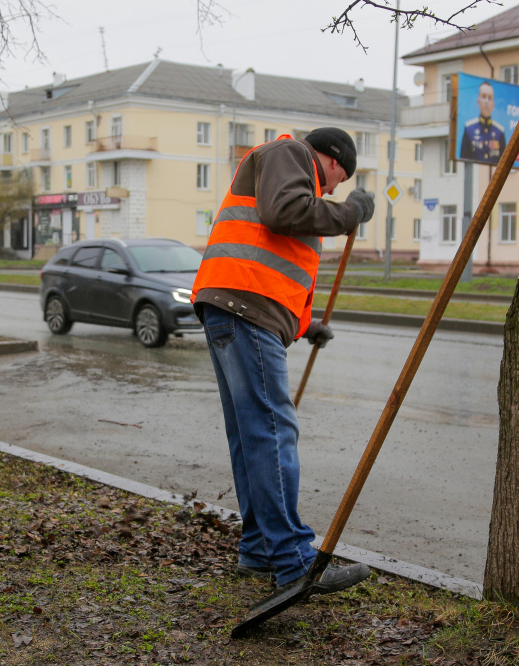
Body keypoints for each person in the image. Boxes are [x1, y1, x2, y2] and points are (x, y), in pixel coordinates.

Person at [191, 128, 376, 596]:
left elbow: (271, 256)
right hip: (244, 307)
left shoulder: (282, 165)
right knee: (273, 431)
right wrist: (350, 213)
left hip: (239, 307)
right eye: (336, 182)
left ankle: (258, 548)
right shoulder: (290, 153)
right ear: (333, 162)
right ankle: (294, 561)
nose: (330, 191)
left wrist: (305, 325)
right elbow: (284, 214)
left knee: (251, 436)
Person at [459, 80, 508, 164]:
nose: (486, 101)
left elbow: (504, 163)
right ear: (478, 101)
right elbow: (463, 161)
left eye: (490, 98)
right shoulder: (469, 129)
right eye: (484, 96)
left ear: (493, 104)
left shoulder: (500, 132)